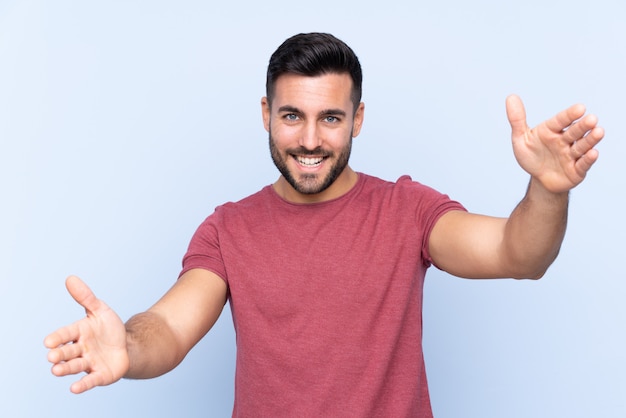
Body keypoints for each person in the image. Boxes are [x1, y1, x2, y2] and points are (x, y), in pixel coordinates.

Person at [44, 32, 604, 417]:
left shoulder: (406, 210)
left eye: (330, 117)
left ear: (357, 119)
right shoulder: (227, 229)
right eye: (292, 116)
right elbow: (167, 329)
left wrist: (547, 191)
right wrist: (129, 349)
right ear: (266, 114)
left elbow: (518, 254)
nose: (310, 139)